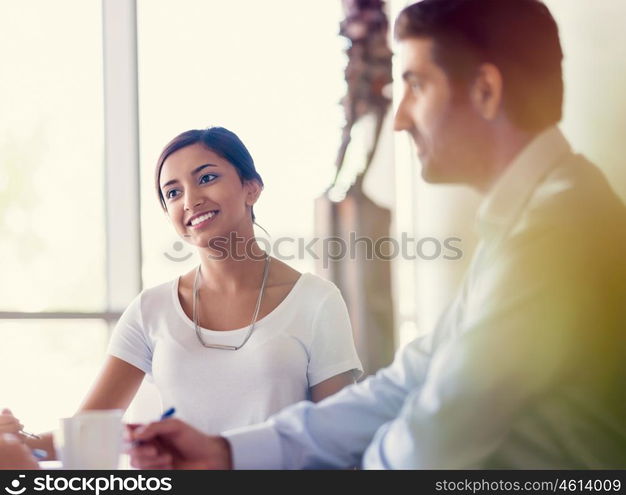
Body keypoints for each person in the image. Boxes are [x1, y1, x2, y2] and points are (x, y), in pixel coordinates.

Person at [129, 0, 626, 469]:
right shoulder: (526, 222)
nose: (401, 119)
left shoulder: (554, 234)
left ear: (486, 91)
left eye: (415, 85)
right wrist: (226, 452)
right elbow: (404, 385)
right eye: (171, 191)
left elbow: (435, 439)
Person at [10, 127, 363, 460]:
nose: (191, 200)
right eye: (173, 193)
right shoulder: (151, 309)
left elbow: (337, 441)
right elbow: (87, 434)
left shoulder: (316, 301)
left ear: (251, 188)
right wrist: (16, 441)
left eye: (206, 178)